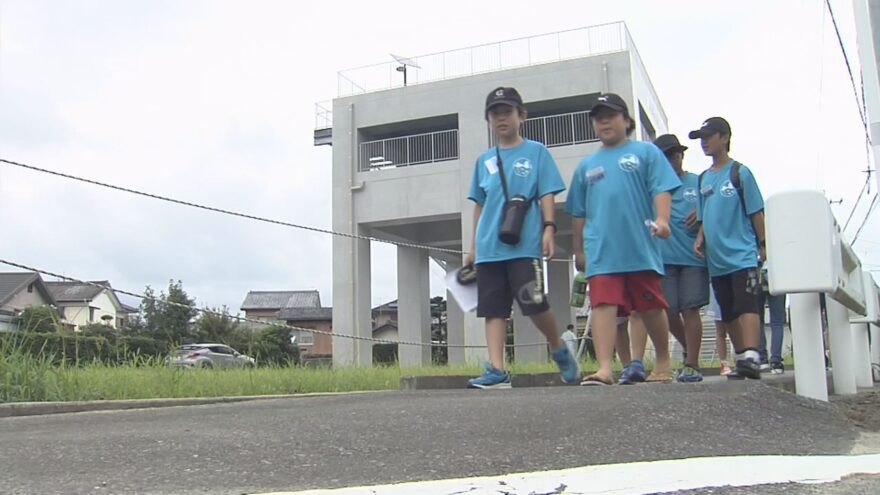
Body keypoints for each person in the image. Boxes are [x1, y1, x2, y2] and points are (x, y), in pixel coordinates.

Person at [464, 86, 579, 389]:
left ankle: (557, 347)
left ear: (521, 116)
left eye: (507, 112)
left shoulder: (537, 151)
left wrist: (549, 228)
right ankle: (497, 370)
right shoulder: (483, 161)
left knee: (534, 302)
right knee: (493, 308)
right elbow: (479, 205)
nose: (501, 118)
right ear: (488, 119)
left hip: (523, 245)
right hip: (489, 248)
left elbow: (546, 193)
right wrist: (472, 247)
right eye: (495, 113)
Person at [565, 93, 680, 385]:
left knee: (650, 306)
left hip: (639, 245)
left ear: (626, 120)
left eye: (611, 115)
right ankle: (605, 368)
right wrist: (578, 249)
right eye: (598, 117)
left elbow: (661, 189)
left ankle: (663, 362)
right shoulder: (586, 165)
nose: (604, 121)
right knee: (603, 304)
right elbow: (578, 212)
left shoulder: (646, 153)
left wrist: (663, 220)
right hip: (601, 248)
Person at [691, 117, 766, 380]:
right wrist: (700, 237)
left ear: (724, 138)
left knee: (747, 303)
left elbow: (756, 212)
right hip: (717, 259)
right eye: (701, 137)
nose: (704, 142)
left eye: (709, 136)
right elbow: (704, 216)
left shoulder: (740, 172)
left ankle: (753, 355)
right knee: (728, 310)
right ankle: (742, 357)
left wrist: (763, 245)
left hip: (742, 253)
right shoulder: (703, 180)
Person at [653, 134, 710, 383]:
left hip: (693, 257)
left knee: (691, 308)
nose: (673, 158)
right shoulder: (653, 187)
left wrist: (703, 213)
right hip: (663, 257)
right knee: (668, 310)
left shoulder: (697, 183)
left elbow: (715, 206)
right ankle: (689, 347)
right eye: (667, 155)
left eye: (676, 153)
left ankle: (692, 363)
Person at [757, 264, 787, 374]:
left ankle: (761, 359)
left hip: (756, 271)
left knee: (757, 319)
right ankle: (776, 361)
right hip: (777, 271)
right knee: (777, 322)